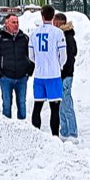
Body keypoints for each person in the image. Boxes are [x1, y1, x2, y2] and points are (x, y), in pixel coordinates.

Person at [27, 9, 66, 136]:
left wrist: (38, 63)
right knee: (54, 108)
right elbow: (63, 55)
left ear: (42, 16)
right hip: (53, 76)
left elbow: (31, 56)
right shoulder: (58, 33)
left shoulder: (34, 33)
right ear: (53, 16)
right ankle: (55, 137)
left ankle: (36, 135)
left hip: (39, 76)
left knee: (37, 107)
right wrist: (59, 65)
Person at [0, 14, 32, 118]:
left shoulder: (24, 38)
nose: (16, 25)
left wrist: (29, 70)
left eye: (17, 22)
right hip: (6, 78)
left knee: (22, 105)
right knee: (6, 105)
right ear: (6, 23)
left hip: (21, 78)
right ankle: (7, 130)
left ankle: (23, 130)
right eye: (13, 22)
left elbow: (32, 55)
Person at [54, 12, 78, 140]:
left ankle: (72, 133)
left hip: (65, 75)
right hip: (61, 75)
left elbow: (68, 59)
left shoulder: (66, 37)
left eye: (54, 22)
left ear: (59, 22)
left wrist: (63, 74)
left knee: (66, 104)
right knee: (61, 106)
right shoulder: (63, 36)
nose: (53, 24)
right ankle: (64, 132)